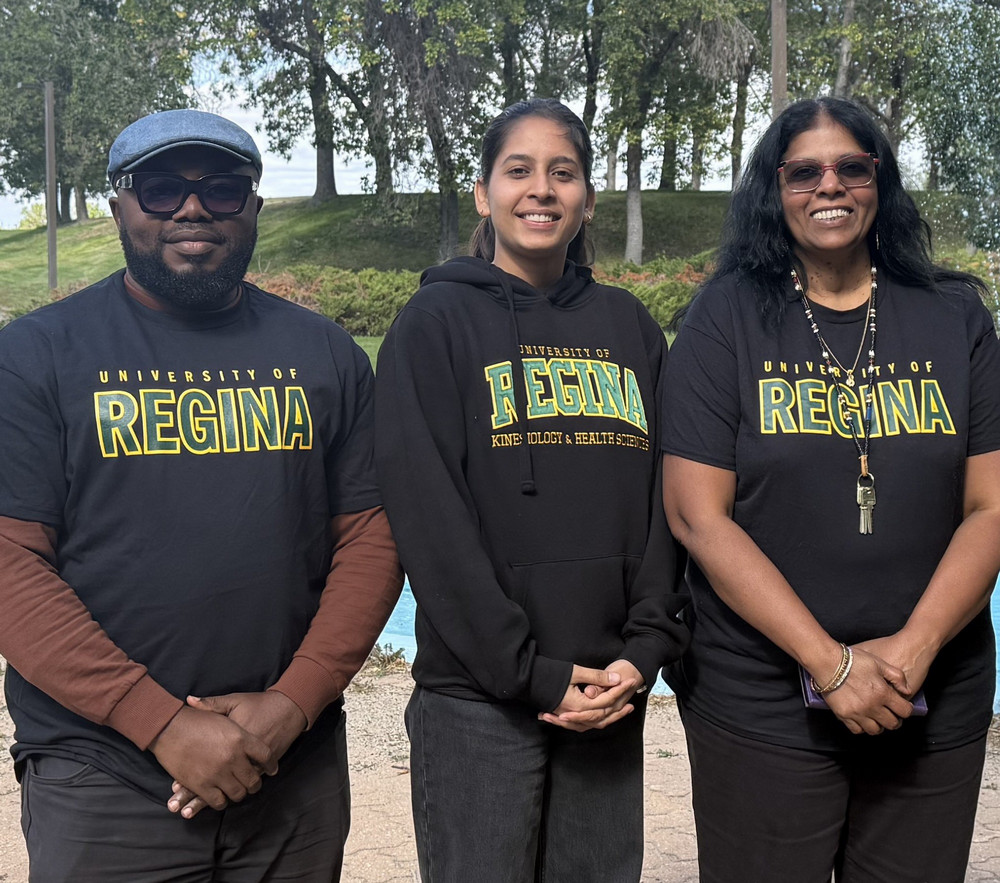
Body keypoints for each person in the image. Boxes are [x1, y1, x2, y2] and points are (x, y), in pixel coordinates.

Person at [0, 108, 403, 880]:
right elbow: (11, 564)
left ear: (252, 207)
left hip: (292, 766)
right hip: (104, 776)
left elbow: (372, 536)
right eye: (160, 189)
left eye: (221, 189)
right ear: (119, 205)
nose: (192, 209)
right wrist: (160, 723)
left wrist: (292, 703)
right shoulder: (35, 357)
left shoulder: (326, 354)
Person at [661, 96, 1000, 882]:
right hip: (763, 696)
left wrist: (911, 652)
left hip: (931, 690)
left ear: (879, 179)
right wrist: (831, 664)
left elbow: (991, 506)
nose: (830, 186)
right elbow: (697, 517)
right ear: (773, 189)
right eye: (804, 171)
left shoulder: (954, 315)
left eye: (852, 166)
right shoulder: (727, 317)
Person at [374, 97, 689, 882]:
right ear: (484, 193)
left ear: (586, 197)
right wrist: (528, 670)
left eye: (563, 172)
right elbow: (430, 521)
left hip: (606, 693)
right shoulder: (433, 323)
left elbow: (664, 503)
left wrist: (645, 649)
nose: (541, 189)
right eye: (519, 171)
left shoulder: (630, 327)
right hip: (479, 701)